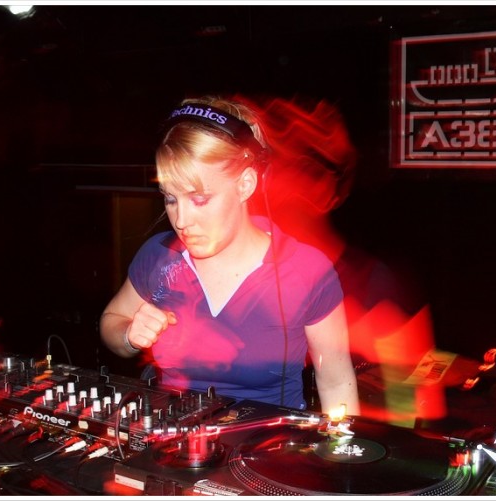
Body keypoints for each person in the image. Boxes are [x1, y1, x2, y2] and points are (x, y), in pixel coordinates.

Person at [99, 95, 360, 415]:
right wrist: (129, 335)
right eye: (171, 199)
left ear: (245, 184)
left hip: (268, 442)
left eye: (199, 199)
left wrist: (341, 443)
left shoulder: (307, 270)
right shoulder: (159, 256)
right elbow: (111, 322)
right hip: (172, 439)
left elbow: (335, 382)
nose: (181, 220)